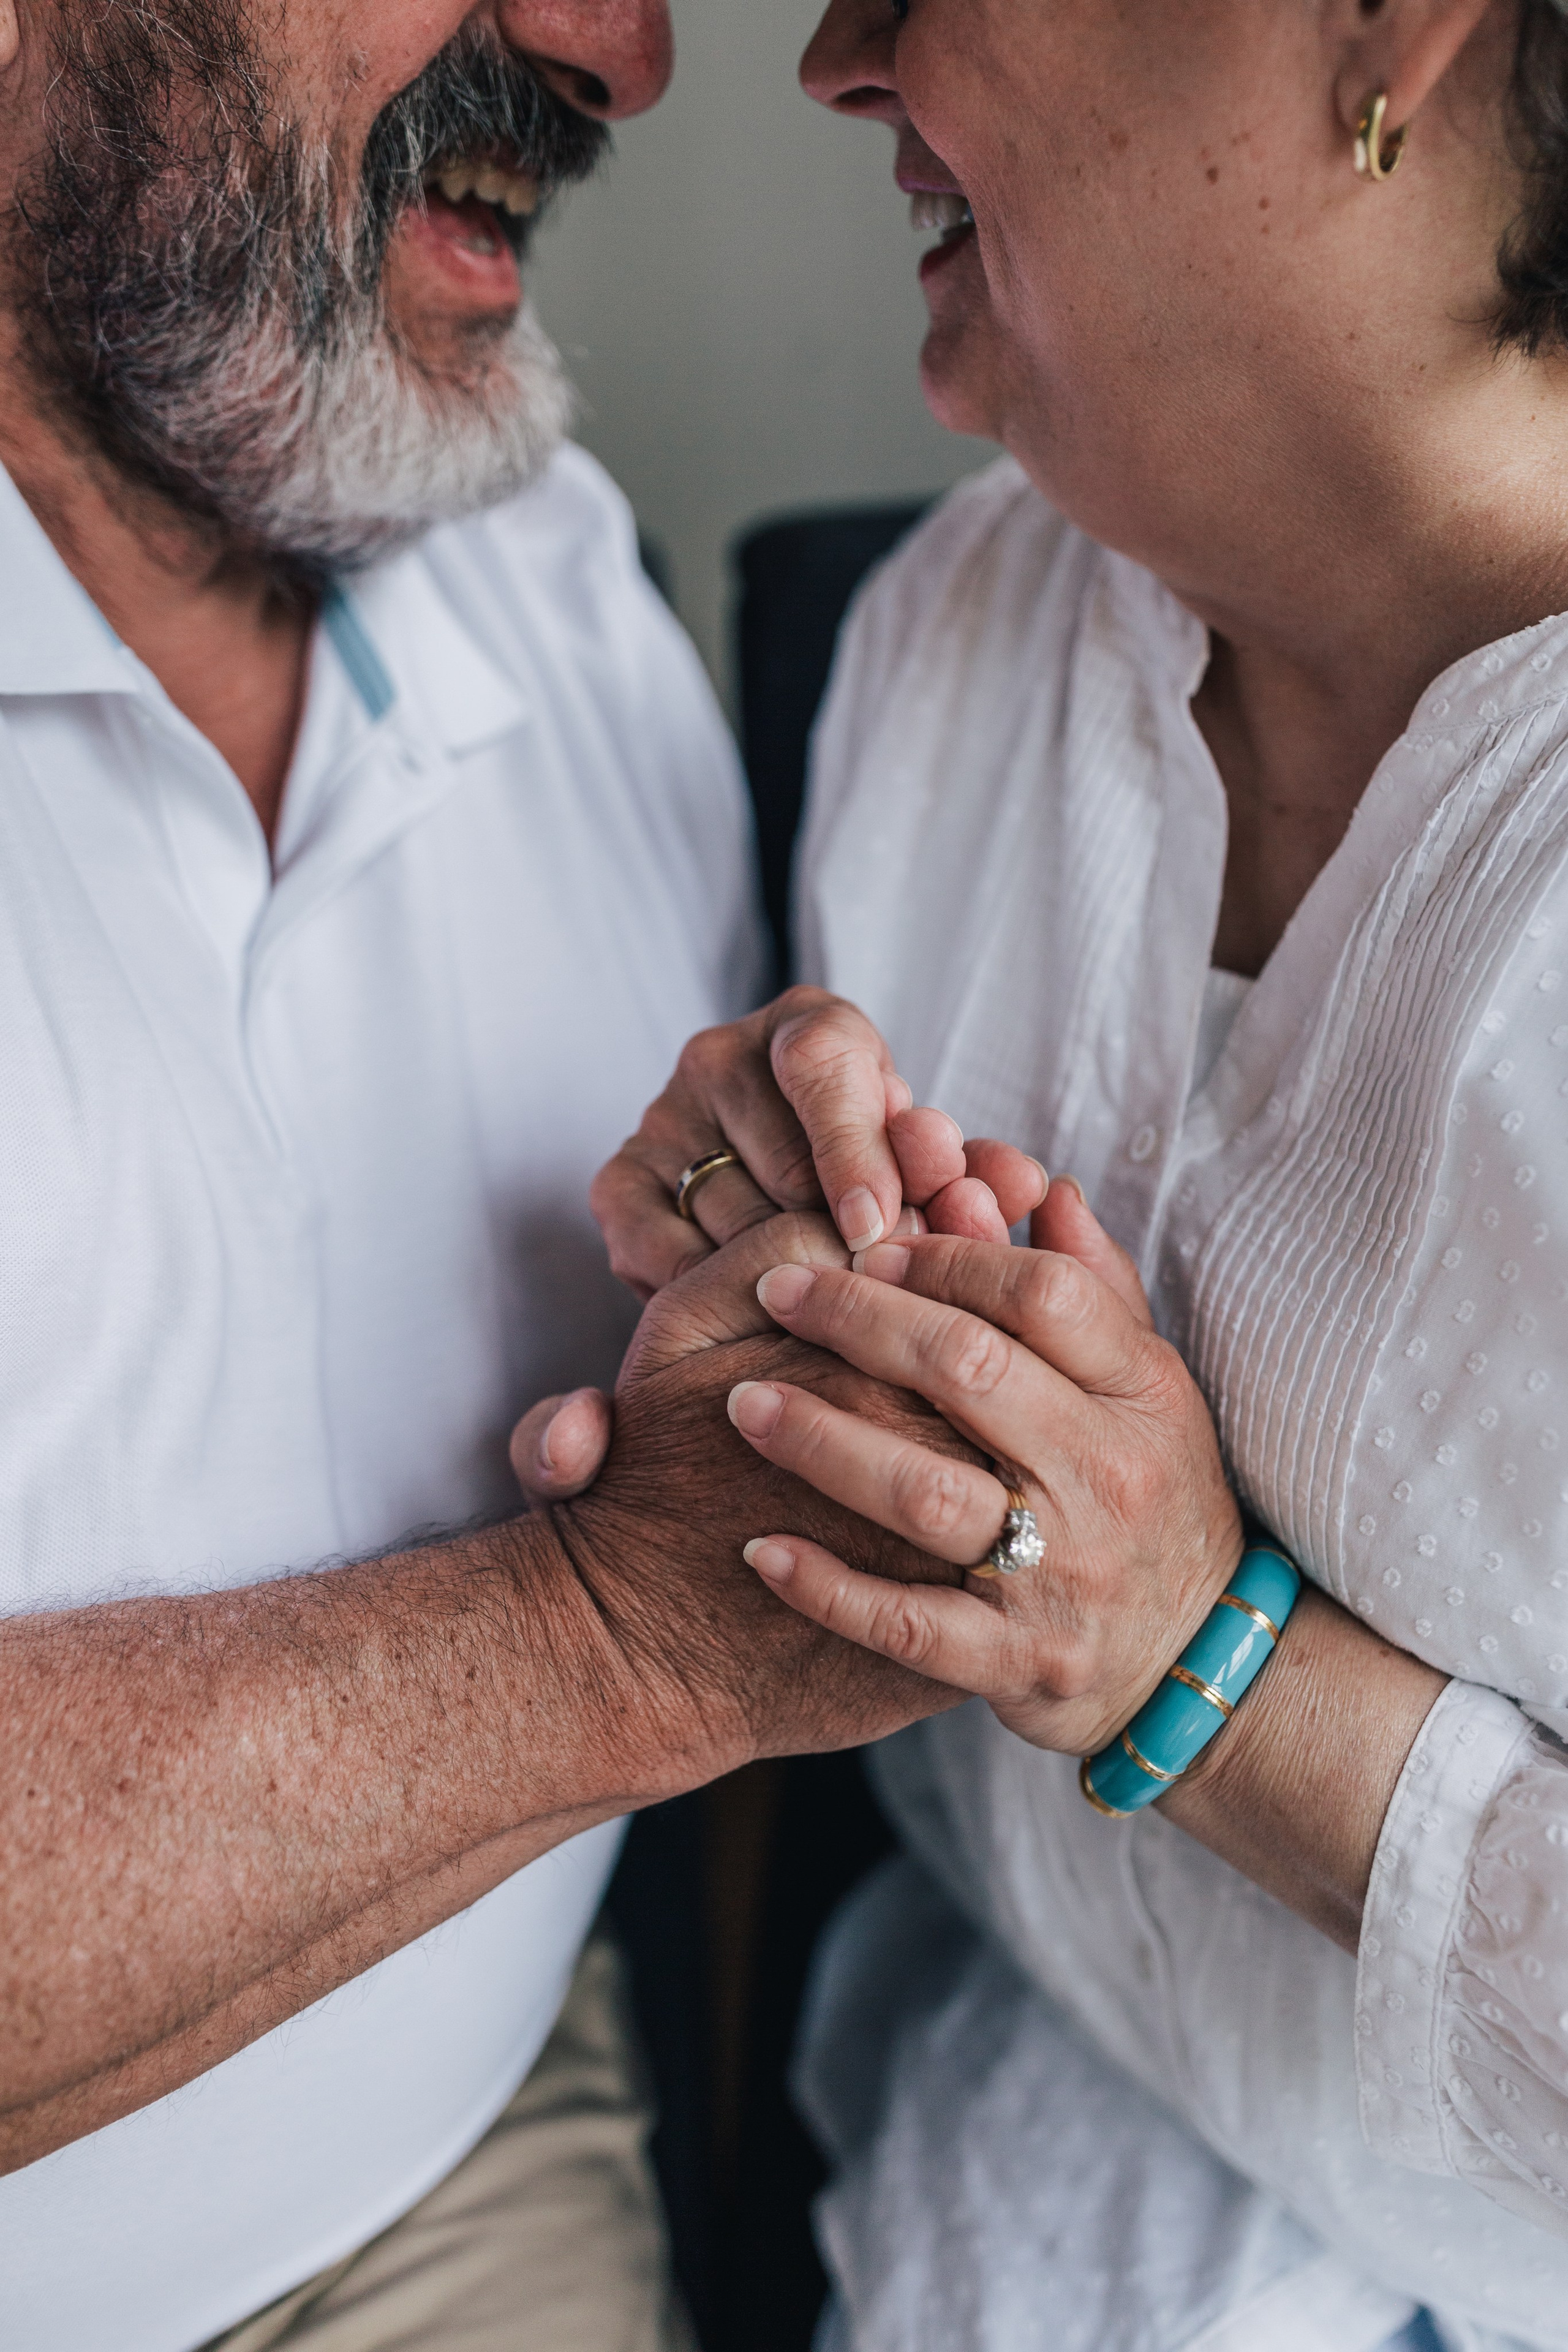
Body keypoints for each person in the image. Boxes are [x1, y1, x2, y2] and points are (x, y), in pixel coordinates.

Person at [585, 0, 1568, 2345]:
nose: (832, 62)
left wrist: (1205, 1672)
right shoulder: (954, 640)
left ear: (1385, 31)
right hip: (995, 2165)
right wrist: (766, 1297)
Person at [0, 6, 975, 2346]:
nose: (616, 52)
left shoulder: (540, 563)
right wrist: (608, 1645)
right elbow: (651, 1632)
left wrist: (790, 1262)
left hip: (475, 2155)